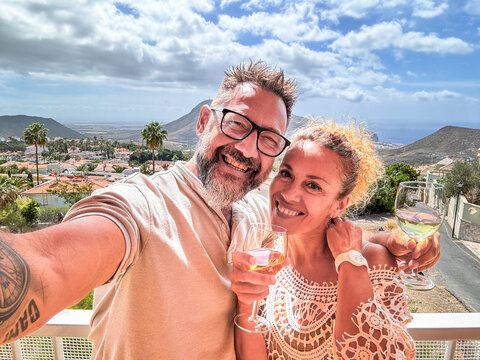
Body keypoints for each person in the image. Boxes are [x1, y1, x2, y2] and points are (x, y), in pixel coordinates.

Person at [0, 62, 437, 359]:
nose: (247, 148)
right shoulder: (143, 207)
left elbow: (317, 221)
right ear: (204, 121)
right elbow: (49, 265)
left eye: (268, 139)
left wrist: (388, 240)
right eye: (236, 123)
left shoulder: (253, 212)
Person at [231, 120, 416, 359]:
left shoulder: (373, 262)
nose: (288, 193)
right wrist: (246, 304)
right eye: (286, 174)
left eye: (313, 185)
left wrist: (350, 262)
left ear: (339, 205)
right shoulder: (267, 257)